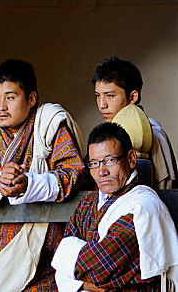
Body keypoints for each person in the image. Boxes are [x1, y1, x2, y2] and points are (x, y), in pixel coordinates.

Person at [0, 59, 85, 291]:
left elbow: (72, 172)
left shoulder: (49, 122)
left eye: (10, 97)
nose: (1, 106)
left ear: (31, 99)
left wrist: (29, 183)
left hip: (42, 248)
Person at [52, 122, 178, 291]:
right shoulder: (87, 204)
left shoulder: (142, 207)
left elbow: (98, 268)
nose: (102, 172)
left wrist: (71, 269)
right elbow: (60, 263)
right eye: (94, 163)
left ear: (131, 159)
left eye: (110, 160)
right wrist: (86, 283)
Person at [92, 57, 177, 189]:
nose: (102, 105)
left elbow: (165, 189)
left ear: (132, 97)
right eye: (98, 96)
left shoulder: (152, 132)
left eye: (110, 96)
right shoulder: (106, 134)